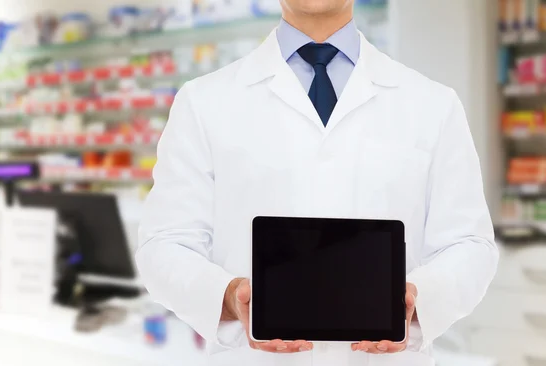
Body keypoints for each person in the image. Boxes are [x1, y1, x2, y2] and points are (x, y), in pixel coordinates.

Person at [136, 0, 499, 364]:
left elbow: (469, 245)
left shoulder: (432, 105)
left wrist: (418, 300)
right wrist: (230, 297)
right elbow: (165, 245)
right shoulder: (203, 103)